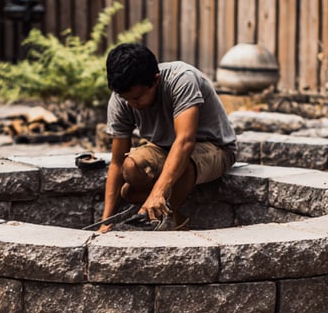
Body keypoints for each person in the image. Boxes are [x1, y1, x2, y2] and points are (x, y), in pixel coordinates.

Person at [100, 43, 237, 231]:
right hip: (165, 148)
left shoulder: (181, 80)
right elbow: (116, 163)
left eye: (138, 98)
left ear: (155, 81)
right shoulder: (121, 98)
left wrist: (157, 194)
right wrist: (105, 223)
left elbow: (185, 142)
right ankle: (175, 216)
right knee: (131, 167)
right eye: (126, 98)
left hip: (215, 148)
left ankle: (166, 219)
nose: (131, 104)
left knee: (184, 164)